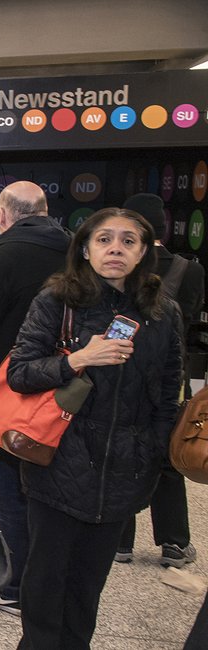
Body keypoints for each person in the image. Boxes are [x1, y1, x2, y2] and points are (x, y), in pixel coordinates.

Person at [10, 207, 182, 650]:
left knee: (87, 589)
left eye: (128, 241)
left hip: (125, 471)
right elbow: (20, 373)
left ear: (144, 252)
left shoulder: (163, 314)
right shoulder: (57, 300)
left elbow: (167, 395)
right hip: (58, 467)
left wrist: (153, 455)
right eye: (104, 239)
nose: (115, 249)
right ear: (85, 249)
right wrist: (78, 359)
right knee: (46, 586)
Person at [0, 180, 70, 615]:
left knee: (6, 492)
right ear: (44, 211)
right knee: (45, 494)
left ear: (3, 216)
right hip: (62, 399)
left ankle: (15, 586)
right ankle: (45, 579)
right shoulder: (77, 254)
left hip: (8, 401)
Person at [115, 192, 204, 569]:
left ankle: (120, 543)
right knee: (168, 453)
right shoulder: (189, 269)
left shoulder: (117, 268)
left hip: (120, 369)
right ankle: (173, 543)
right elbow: (192, 319)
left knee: (118, 451)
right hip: (170, 375)